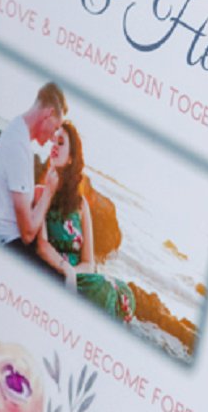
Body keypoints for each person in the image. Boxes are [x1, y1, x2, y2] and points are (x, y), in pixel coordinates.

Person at [37, 121, 135, 322]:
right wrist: (65, 270)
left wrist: (73, 273)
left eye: (61, 142)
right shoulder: (41, 193)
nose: (54, 145)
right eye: (53, 141)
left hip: (79, 275)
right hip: (56, 270)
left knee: (126, 293)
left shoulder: (81, 204)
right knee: (105, 290)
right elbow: (42, 245)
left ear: (71, 158)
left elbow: (89, 262)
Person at [0, 80, 68, 251]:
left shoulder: (18, 133)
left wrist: (35, 192)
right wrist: (48, 193)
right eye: (56, 128)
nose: (54, 137)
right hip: (7, 243)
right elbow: (28, 233)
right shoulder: (18, 145)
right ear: (49, 113)